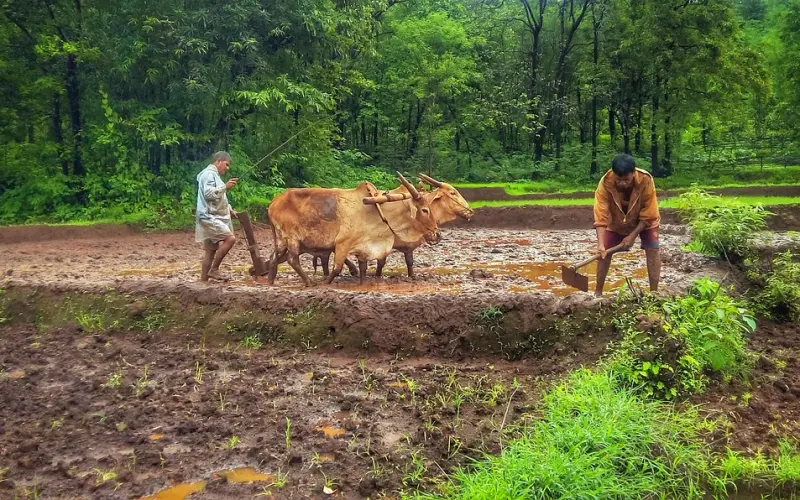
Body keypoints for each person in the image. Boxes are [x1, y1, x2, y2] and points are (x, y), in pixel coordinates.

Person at [593, 153, 660, 297]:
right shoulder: (605, 183)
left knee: (653, 248)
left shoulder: (645, 180)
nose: (623, 183)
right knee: (604, 252)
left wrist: (632, 236)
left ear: (633, 174)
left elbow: (649, 213)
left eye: (626, 180)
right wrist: (600, 246)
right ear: (614, 175)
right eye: (619, 180)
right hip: (616, 220)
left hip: (645, 221)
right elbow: (601, 215)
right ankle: (597, 293)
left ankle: (654, 294)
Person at [196, 151, 238, 281]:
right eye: (226, 164)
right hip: (209, 217)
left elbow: (219, 199)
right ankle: (214, 269)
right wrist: (225, 186)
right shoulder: (209, 175)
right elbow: (209, 194)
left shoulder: (214, 175)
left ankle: (203, 282)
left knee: (210, 250)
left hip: (209, 216)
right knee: (230, 239)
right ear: (218, 161)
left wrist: (230, 209)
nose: (227, 168)